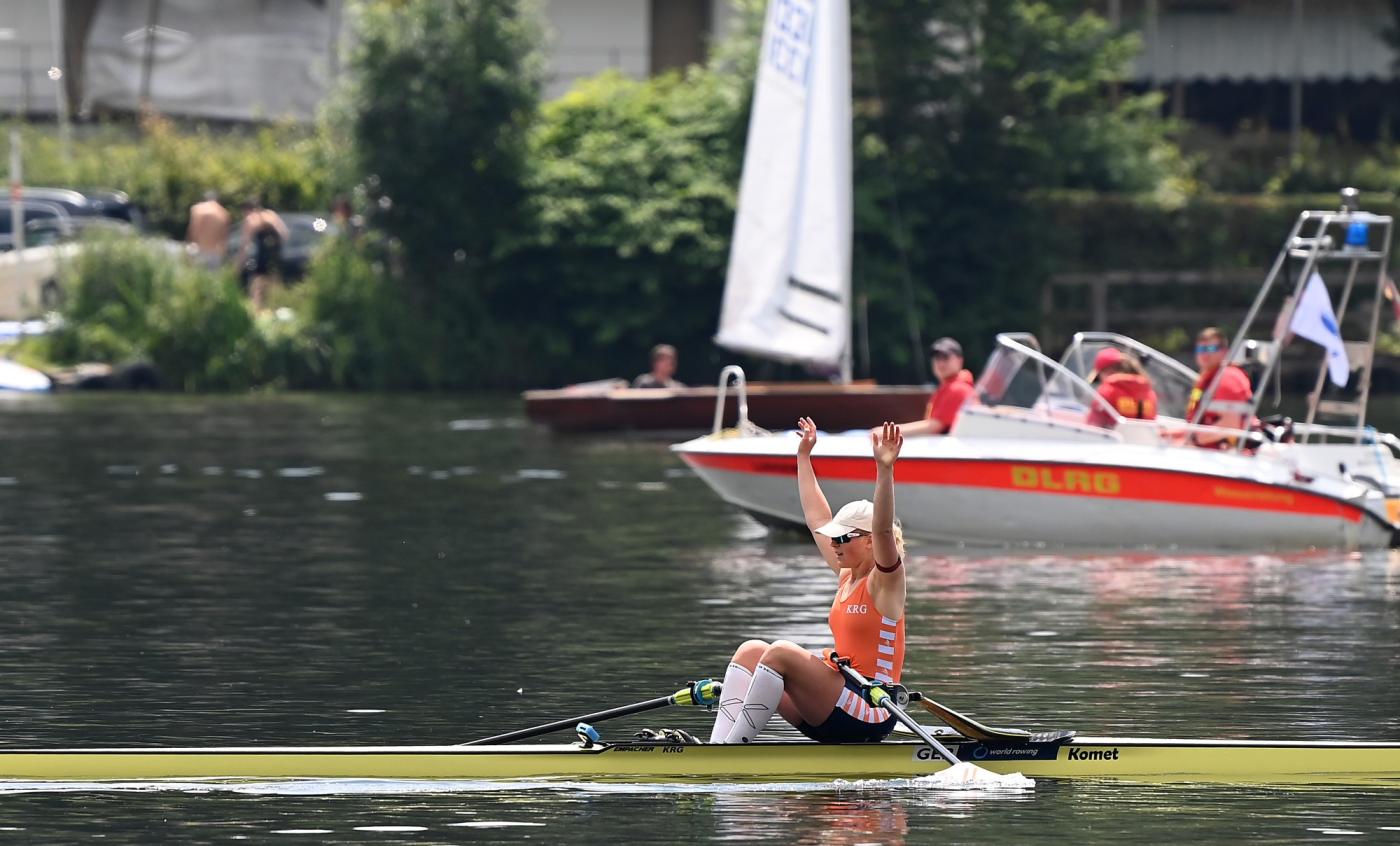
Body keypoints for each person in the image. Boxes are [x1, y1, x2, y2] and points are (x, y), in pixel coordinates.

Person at [709, 417, 906, 745]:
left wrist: (885, 470)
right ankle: (717, 747)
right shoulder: (846, 575)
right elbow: (817, 518)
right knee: (751, 651)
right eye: (834, 538)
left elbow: (884, 529)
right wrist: (803, 457)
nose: (834, 544)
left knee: (781, 652)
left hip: (872, 710)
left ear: (869, 541)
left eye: (842, 538)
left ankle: (732, 750)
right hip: (836, 702)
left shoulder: (886, 583)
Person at [891, 337, 975, 436]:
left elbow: (934, 427)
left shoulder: (958, 389)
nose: (940, 363)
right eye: (937, 358)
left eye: (945, 357)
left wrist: (886, 432)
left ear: (959, 361)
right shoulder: (951, 387)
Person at [1185, 326, 1253, 448]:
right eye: (1201, 349)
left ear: (1225, 352)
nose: (1205, 354)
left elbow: (1231, 424)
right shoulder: (1208, 378)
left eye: (1211, 348)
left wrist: (1193, 440)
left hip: (1226, 453)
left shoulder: (1228, 377)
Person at [236, 196, 290, 311]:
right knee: (274, 285)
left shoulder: (251, 219)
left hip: (262, 256)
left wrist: (239, 264)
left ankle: (257, 311)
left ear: (247, 209)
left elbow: (245, 245)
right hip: (276, 255)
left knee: (256, 286)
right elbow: (285, 234)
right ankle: (275, 310)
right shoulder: (271, 215)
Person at [1084, 348, 1158, 429]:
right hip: (1143, 437)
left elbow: (1093, 425)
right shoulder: (1149, 392)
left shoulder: (1107, 391)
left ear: (1107, 371)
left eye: (1099, 377)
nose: (1101, 381)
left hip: (1112, 436)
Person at [185, 191, 230, 270]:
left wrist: (188, 243)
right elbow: (224, 237)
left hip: (199, 249)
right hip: (215, 253)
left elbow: (193, 230)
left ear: (204, 199)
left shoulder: (198, 209)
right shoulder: (223, 213)